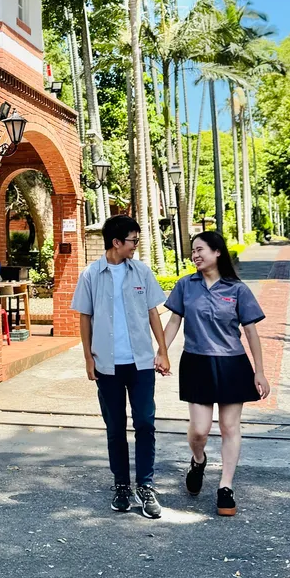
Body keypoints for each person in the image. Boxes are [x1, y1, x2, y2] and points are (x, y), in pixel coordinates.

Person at [162, 231, 270, 517]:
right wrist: (161, 352)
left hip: (232, 364)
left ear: (217, 252)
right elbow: (173, 322)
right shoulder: (186, 285)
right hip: (196, 362)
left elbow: (251, 333)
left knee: (229, 427)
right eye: (192, 252)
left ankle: (225, 487)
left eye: (200, 250)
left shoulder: (238, 289)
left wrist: (260, 371)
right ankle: (198, 460)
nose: (195, 255)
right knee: (199, 430)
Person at [71, 215, 170, 519]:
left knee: (145, 424)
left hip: (140, 363)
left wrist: (163, 351)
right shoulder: (91, 275)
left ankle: (146, 485)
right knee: (115, 428)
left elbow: (154, 313)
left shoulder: (141, 271)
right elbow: (84, 317)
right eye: (132, 241)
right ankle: (121, 485)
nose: (135, 246)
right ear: (116, 243)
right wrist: (88, 358)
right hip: (107, 365)